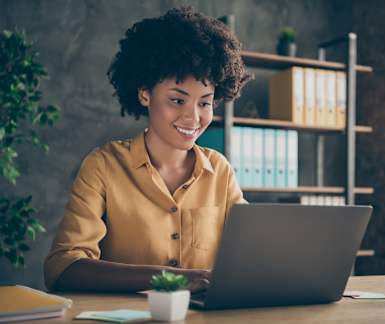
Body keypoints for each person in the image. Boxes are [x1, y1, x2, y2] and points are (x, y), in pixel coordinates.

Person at [44, 6, 251, 293]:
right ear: (145, 94)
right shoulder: (103, 166)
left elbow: (252, 255)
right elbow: (63, 267)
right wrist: (173, 279)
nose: (193, 118)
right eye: (178, 101)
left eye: (204, 103)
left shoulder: (220, 171)